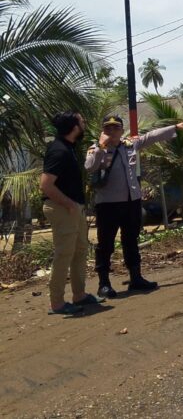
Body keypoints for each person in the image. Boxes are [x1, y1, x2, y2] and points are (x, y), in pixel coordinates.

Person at [86, 115, 183, 298]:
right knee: (106, 244)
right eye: (107, 128)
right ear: (103, 131)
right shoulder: (95, 148)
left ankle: (136, 278)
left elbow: (151, 136)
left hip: (131, 201)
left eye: (115, 128)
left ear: (121, 130)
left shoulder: (129, 145)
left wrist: (175, 128)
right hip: (108, 204)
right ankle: (104, 283)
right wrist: (101, 145)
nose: (111, 131)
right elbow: (90, 167)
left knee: (130, 240)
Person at [40, 111, 102, 315]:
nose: (84, 125)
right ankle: (57, 303)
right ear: (75, 126)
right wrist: (69, 205)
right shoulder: (59, 151)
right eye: (82, 122)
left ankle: (79, 295)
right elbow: (46, 185)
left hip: (72, 208)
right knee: (64, 254)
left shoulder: (69, 148)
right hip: (62, 208)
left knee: (80, 251)